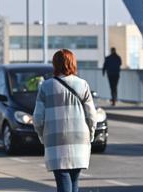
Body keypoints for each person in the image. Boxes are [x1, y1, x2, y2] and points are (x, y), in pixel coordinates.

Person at [33, 49, 97, 192]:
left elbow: (37, 118)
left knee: (63, 179)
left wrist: (42, 135)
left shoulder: (46, 86)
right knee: (74, 180)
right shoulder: (83, 85)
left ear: (55, 64)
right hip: (80, 139)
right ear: (73, 63)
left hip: (56, 139)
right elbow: (92, 115)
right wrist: (90, 134)